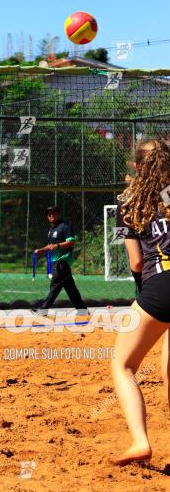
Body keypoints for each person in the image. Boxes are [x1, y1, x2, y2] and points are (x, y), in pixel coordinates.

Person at [112, 138, 170, 465]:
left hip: (160, 285)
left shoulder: (131, 203)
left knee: (123, 365)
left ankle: (140, 441)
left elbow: (136, 263)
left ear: (137, 167)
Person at [33, 205, 88, 315]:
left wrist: (57, 246)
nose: (51, 215)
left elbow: (71, 242)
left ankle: (43, 310)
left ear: (59, 214)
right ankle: (82, 311)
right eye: (49, 214)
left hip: (62, 261)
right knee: (70, 288)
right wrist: (41, 250)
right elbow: (50, 245)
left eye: (54, 213)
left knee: (55, 285)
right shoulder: (51, 229)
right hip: (55, 261)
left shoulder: (65, 227)